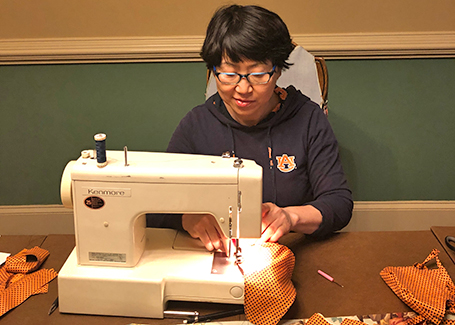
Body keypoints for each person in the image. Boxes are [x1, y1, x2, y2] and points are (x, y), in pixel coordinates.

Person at [147, 4, 353, 252]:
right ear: (214, 71)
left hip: (292, 252)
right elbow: (155, 205)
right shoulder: (197, 125)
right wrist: (188, 218)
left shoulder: (308, 119)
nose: (243, 89)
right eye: (229, 74)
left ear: (277, 71)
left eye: (257, 74)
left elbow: (339, 203)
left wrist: (290, 218)